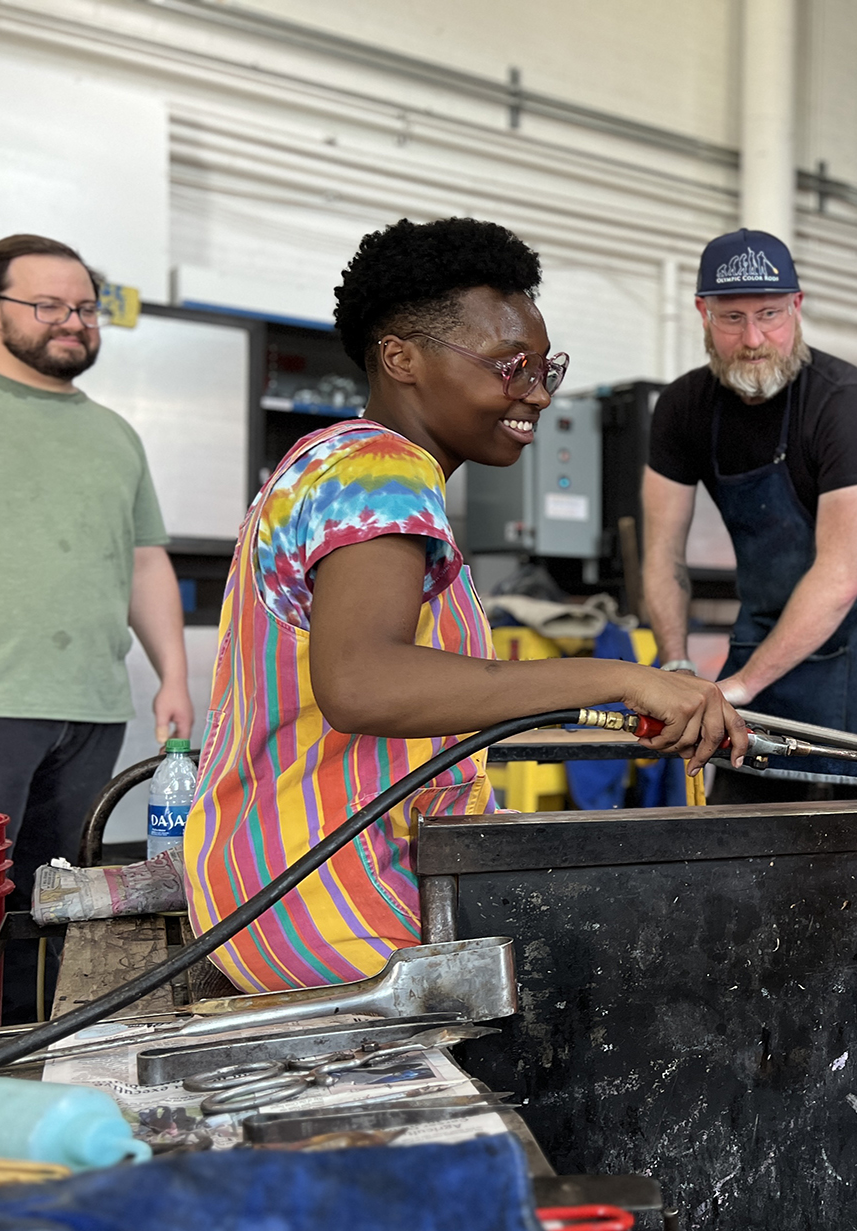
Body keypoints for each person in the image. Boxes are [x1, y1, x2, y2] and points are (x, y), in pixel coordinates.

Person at [183, 217, 747, 994]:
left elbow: (430, 697)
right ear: (401, 357)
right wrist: (617, 677)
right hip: (323, 902)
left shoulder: (340, 462)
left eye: (546, 366)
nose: (538, 393)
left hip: (293, 877)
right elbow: (365, 685)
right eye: (510, 366)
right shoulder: (380, 469)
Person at [0, 233, 193, 1022]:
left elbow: (145, 562)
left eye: (84, 308)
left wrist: (175, 677)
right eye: (47, 305)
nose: (71, 322)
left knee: (55, 912)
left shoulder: (115, 433)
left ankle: (25, 1060)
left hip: (87, 710)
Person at [640, 229, 857, 801]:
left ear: (797, 306)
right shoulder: (682, 408)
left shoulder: (849, 404)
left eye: (770, 314)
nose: (753, 339)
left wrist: (741, 686)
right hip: (768, 622)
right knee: (744, 815)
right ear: (702, 313)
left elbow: (841, 577)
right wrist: (674, 664)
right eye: (732, 318)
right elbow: (661, 556)